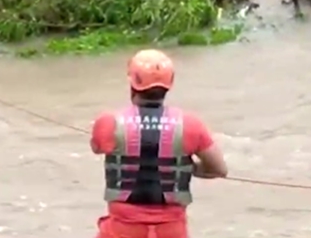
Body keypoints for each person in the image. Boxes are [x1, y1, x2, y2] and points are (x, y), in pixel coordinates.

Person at [90, 49, 228, 238]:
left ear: (133, 82)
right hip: (171, 230)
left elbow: (97, 147)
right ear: (169, 83)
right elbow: (219, 169)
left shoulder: (109, 122)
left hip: (121, 228)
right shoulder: (191, 124)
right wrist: (188, 167)